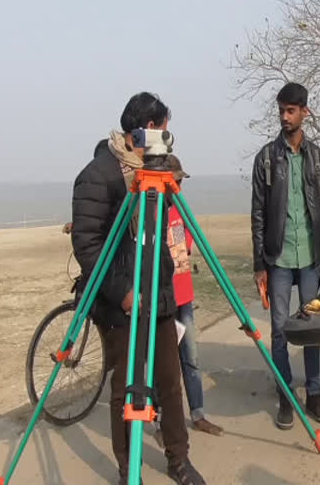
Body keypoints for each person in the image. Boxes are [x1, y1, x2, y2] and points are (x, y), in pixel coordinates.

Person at [71, 92, 205, 484]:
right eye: (162, 129)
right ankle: (128, 467)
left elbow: (161, 232)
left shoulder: (155, 174)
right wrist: (122, 292)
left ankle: (179, 460)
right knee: (127, 387)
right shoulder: (98, 174)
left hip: (159, 294)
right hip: (121, 303)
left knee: (169, 381)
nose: (166, 137)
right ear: (143, 130)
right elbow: (88, 245)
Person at [250, 82, 320, 430]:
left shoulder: (318, 159)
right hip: (279, 260)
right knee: (279, 330)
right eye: (281, 110)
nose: (285, 117)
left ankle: (314, 393)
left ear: (305, 112)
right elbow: (257, 214)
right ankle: (286, 395)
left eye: (291, 111)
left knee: (312, 328)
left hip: (311, 261)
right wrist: (260, 265)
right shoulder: (266, 159)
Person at [163, 154, 224, 437]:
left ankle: (198, 413)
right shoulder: (150, 214)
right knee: (162, 365)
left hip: (183, 296)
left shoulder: (181, 210)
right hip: (161, 300)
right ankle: (161, 419)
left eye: (180, 182)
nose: (179, 188)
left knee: (191, 358)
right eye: (174, 182)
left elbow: (185, 244)